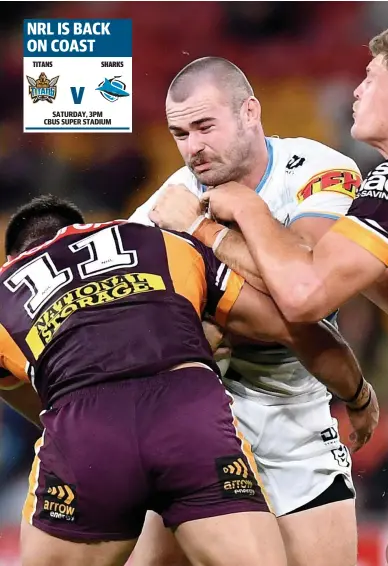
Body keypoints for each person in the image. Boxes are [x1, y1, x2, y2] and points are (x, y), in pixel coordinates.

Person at [0, 196, 376, 566]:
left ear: (13, 258)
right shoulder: (163, 242)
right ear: (83, 225)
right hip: (187, 417)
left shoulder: (6, 288)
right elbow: (293, 329)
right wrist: (357, 395)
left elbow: (25, 391)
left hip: (86, 434)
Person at [197, 23, 388, 566]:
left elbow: (304, 297)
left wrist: (230, 219)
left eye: (370, 78)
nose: (355, 90)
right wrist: (372, 270)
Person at [130, 56, 372, 566]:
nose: (192, 147)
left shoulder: (319, 171)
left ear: (250, 112)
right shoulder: (157, 209)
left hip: (296, 421)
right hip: (199, 422)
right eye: (179, 133)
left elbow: (304, 284)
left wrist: (204, 231)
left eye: (204, 126)